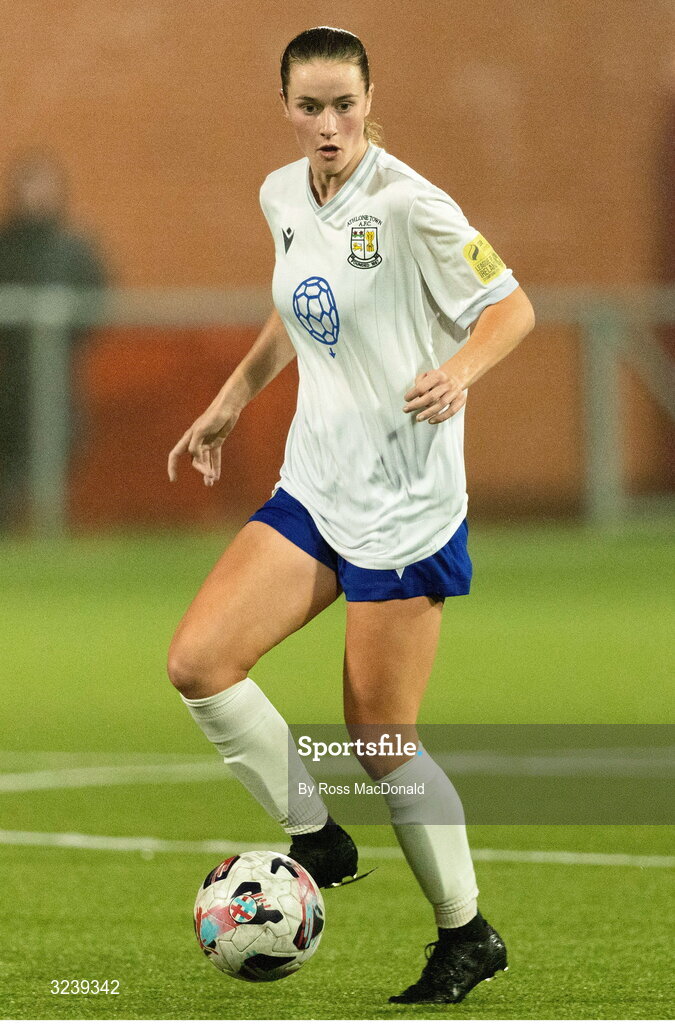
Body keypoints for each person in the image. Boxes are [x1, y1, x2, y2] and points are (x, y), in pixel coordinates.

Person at [167, 26, 535, 1005]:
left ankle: (468, 931)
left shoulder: (412, 206)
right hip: (316, 484)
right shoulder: (282, 195)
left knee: (381, 739)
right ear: (284, 107)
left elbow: (511, 308)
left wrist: (458, 371)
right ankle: (315, 835)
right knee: (199, 662)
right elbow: (299, 307)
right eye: (309, 106)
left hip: (407, 504)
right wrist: (234, 397)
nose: (328, 125)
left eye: (344, 104)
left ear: (370, 101)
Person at [0, 150, 107, 528]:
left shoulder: (73, 249)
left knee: (58, 450)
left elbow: (95, 303)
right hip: (9, 379)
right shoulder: (5, 248)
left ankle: (49, 527)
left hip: (59, 378)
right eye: (28, 184)